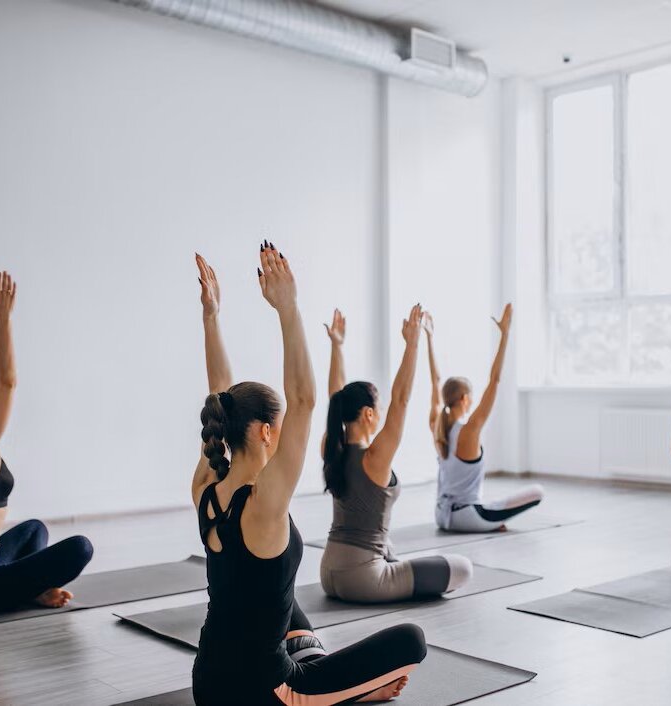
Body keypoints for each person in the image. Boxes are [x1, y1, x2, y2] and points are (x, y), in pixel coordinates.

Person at [191, 245, 426, 706]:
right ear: (264, 432)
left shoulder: (206, 486)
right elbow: (303, 399)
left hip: (208, 682)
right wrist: (288, 307)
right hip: (265, 694)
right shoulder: (264, 503)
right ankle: (349, 693)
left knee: (282, 597)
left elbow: (216, 392)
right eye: (279, 427)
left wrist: (212, 316)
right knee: (411, 640)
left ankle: (334, 681)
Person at [319, 307, 472, 603]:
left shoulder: (331, 448)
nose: (380, 415)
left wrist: (337, 346)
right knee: (462, 568)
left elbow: (335, 397)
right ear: (368, 414)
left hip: (328, 573)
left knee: (390, 548)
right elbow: (401, 400)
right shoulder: (374, 457)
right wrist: (412, 344)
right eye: (377, 411)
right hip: (364, 580)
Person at [0, 271, 93, 612]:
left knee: (34, 530)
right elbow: (7, 382)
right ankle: (27, 592)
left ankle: (30, 590)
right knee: (80, 548)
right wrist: (3, 320)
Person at [426, 304, 543, 533]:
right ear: (465, 399)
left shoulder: (437, 427)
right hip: (466, 517)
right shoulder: (469, 430)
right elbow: (495, 380)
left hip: (441, 514)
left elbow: (434, 381)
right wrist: (505, 335)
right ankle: (487, 522)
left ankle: (487, 518)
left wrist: (429, 338)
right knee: (537, 492)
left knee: (492, 504)